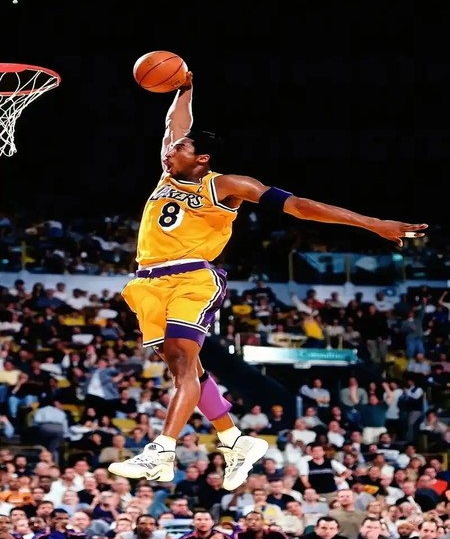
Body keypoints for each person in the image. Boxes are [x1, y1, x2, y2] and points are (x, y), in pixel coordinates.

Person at [107, 70, 428, 491]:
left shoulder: (226, 185)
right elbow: (175, 124)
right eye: (172, 147)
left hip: (191, 278)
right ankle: (234, 440)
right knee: (183, 367)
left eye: (181, 148)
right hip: (147, 284)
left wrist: (373, 223)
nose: (170, 150)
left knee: (184, 362)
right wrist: (185, 88)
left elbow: (300, 206)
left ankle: (162, 452)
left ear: (202, 158)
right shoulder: (167, 176)